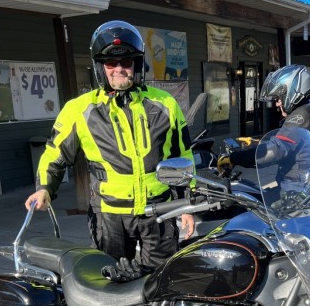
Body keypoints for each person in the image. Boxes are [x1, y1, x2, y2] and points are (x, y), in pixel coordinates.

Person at [25, 20, 195, 267]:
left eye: (126, 62)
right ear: (99, 67)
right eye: (111, 63)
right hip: (109, 215)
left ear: (137, 64)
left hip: (159, 210)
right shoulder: (80, 109)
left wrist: (186, 205)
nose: (119, 69)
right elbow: (55, 154)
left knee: (163, 279)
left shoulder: (165, 103)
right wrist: (44, 188)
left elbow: (183, 156)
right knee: (110, 282)